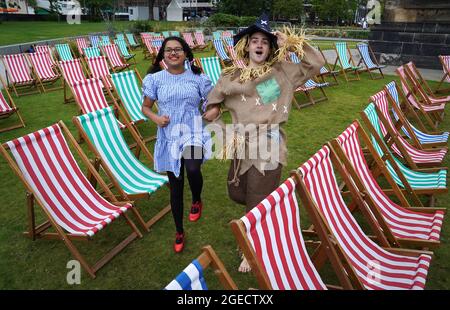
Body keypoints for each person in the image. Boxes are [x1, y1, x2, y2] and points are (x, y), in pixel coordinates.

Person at [202, 13, 324, 272]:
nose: (259, 45)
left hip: (268, 144)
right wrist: (213, 109)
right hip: (239, 142)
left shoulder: (282, 72)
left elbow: (315, 63)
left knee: (257, 199)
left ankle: (251, 247)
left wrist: (291, 44)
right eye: (254, 40)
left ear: (271, 48)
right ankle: (262, 214)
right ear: (246, 45)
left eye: (265, 42)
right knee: (237, 192)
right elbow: (215, 98)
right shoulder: (232, 75)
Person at [142, 36, 213, 253]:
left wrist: (208, 115)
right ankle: (179, 230)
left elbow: (212, 105)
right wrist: (156, 119)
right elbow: (145, 107)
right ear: (163, 55)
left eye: (178, 49)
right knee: (176, 186)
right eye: (169, 50)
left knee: (192, 168)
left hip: (193, 131)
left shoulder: (198, 78)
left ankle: (197, 199)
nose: (173, 53)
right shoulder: (155, 79)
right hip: (168, 136)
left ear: (186, 54)